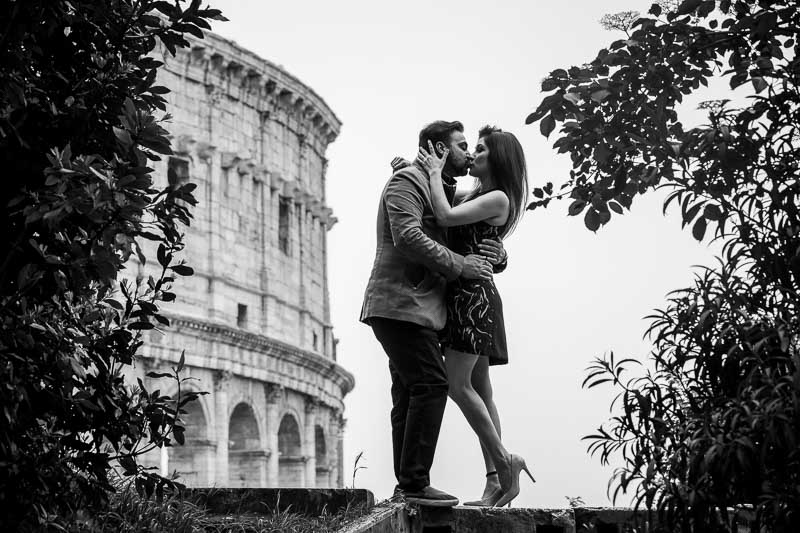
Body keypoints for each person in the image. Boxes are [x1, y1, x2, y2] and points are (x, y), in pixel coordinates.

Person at [360, 121, 506, 507]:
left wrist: (498, 254)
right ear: (439, 149)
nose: (469, 153)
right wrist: (461, 266)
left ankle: (409, 483)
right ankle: (414, 483)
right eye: (461, 146)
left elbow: (465, 234)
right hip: (399, 305)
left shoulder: (443, 191)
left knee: (409, 392)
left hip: (422, 311)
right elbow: (409, 237)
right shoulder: (407, 181)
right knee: (430, 384)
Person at [415, 125, 535, 507]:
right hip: (471, 295)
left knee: (457, 385)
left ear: (497, 158)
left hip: (472, 299)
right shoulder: (482, 194)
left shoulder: (497, 196)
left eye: (480, 150)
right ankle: (495, 482)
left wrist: (432, 172)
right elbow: (448, 205)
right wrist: (417, 172)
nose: (473, 155)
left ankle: (504, 464)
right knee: (481, 389)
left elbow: (445, 215)